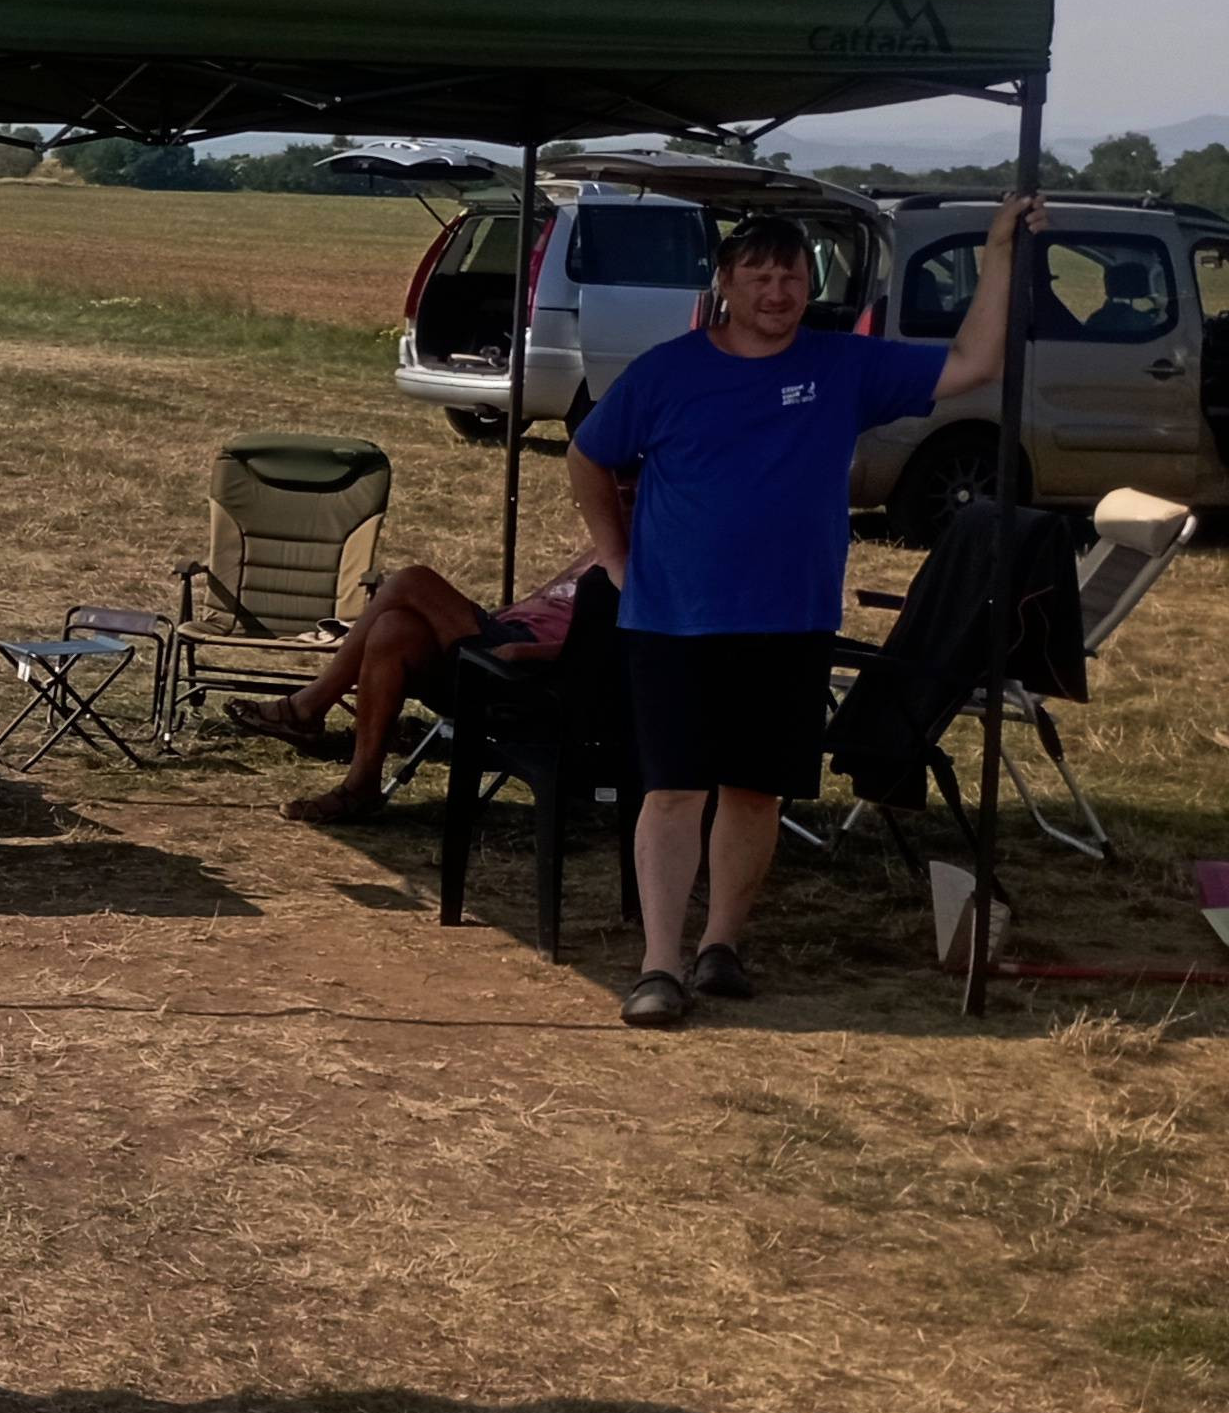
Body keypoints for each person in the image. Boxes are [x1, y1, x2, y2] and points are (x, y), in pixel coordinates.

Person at [566, 196, 1038, 1029]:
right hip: (674, 619)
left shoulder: (843, 366)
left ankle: (721, 946)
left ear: (809, 286)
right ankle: (658, 964)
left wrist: (1000, 251)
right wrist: (615, 556)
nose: (777, 291)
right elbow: (588, 455)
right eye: (759, 275)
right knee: (673, 791)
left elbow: (974, 363)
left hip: (790, 619)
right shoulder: (667, 372)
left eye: (791, 276)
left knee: (756, 793)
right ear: (725, 283)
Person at [230, 543, 608, 825]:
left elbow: (612, 647)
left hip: (533, 674)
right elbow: (540, 604)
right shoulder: (599, 548)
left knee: (412, 580)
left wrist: (525, 651)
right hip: (506, 637)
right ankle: (362, 784)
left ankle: (307, 708)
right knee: (393, 628)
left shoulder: (634, 564)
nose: (620, 489)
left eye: (630, 484)